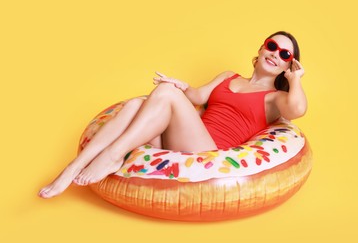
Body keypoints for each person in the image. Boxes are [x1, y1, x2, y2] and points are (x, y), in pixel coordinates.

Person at [38, 31, 307, 199]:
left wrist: (296, 79)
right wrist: (182, 87)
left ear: (288, 65)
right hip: (182, 139)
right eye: (272, 46)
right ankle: (72, 168)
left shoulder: (276, 98)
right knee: (134, 105)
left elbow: (298, 111)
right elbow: (197, 98)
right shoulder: (229, 76)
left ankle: (112, 155)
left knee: (164, 94)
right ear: (261, 48)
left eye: (285, 55)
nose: (275, 54)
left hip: (209, 150)